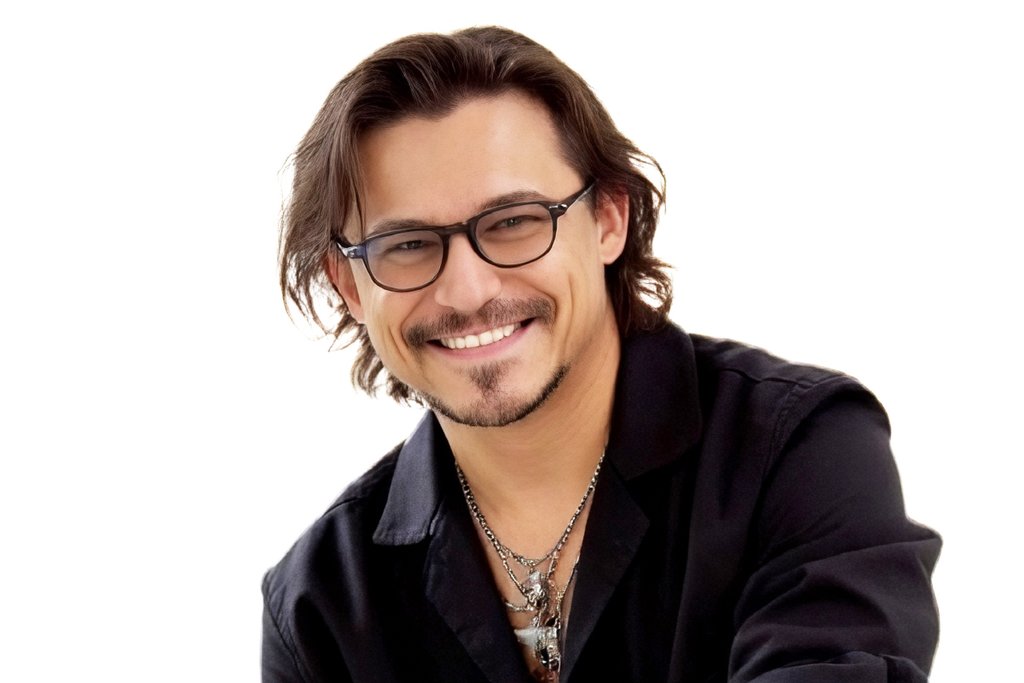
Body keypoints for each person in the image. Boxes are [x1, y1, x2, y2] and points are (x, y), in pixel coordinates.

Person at [263, 26, 940, 683]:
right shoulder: (319, 606)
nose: (468, 290)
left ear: (610, 217)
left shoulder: (796, 451)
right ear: (348, 285)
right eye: (406, 245)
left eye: (514, 222)